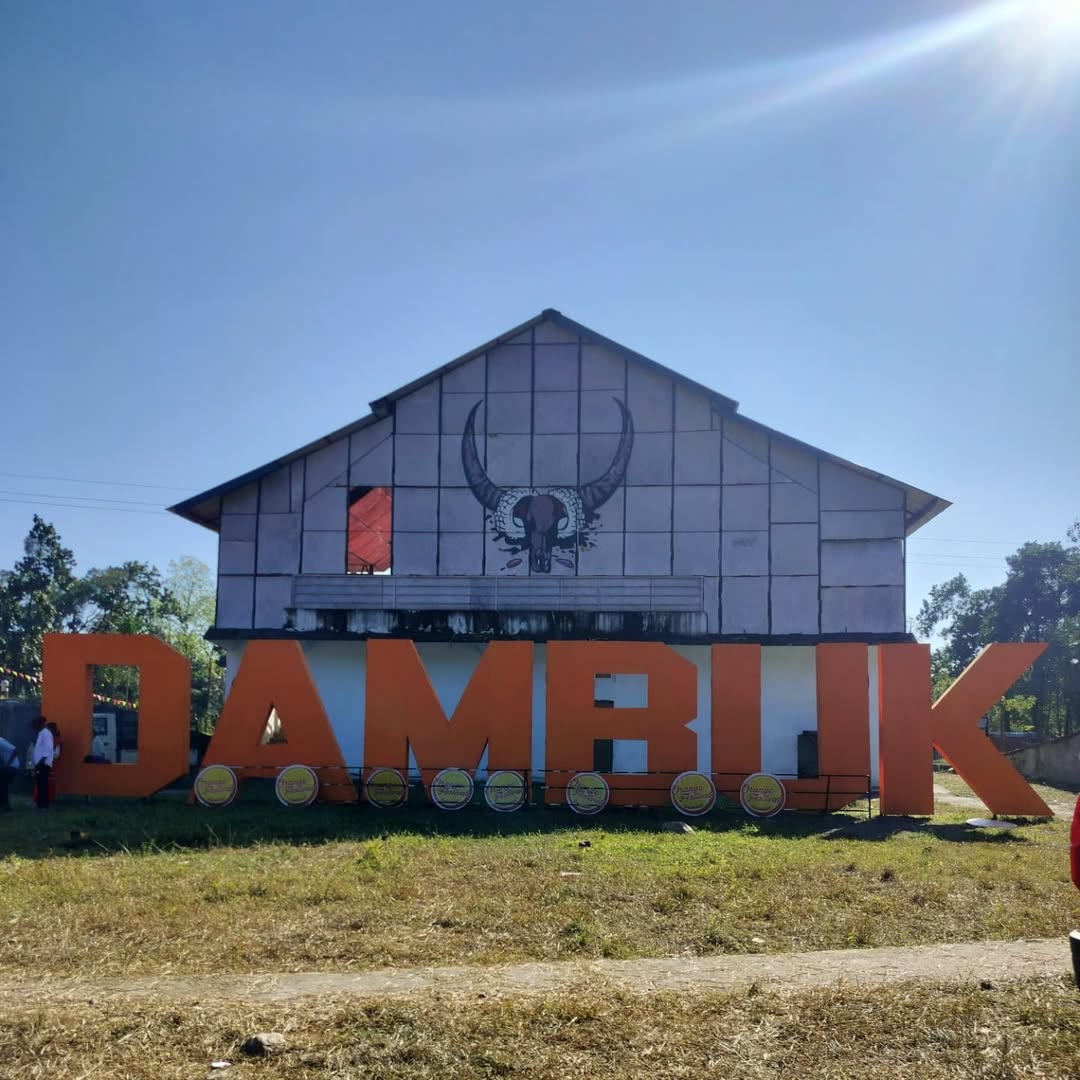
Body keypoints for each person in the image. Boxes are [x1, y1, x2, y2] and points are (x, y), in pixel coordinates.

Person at [30, 716, 54, 810]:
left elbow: (48, 749)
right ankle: (40, 804)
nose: (33, 726)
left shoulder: (46, 734)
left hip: (43, 763)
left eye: (35, 724)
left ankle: (43, 805)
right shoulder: (40, 733)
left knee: (43, 785)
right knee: (40, 784)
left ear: (40, 724)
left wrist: (41, 762)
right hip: (40, 763)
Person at [0, 733, 19, 810]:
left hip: (12, 767)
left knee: (2, 784)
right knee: (2, 785)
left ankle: (4, 805)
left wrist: (7, 764)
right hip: (7, 767)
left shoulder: (0, 742)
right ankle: (5, 806)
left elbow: (15, 750)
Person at [46, 722, 62, 805]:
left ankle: (50, 799)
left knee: (50, 782)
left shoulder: (56, 740)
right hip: (46, 763)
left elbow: (56, 754)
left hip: (51, 763)